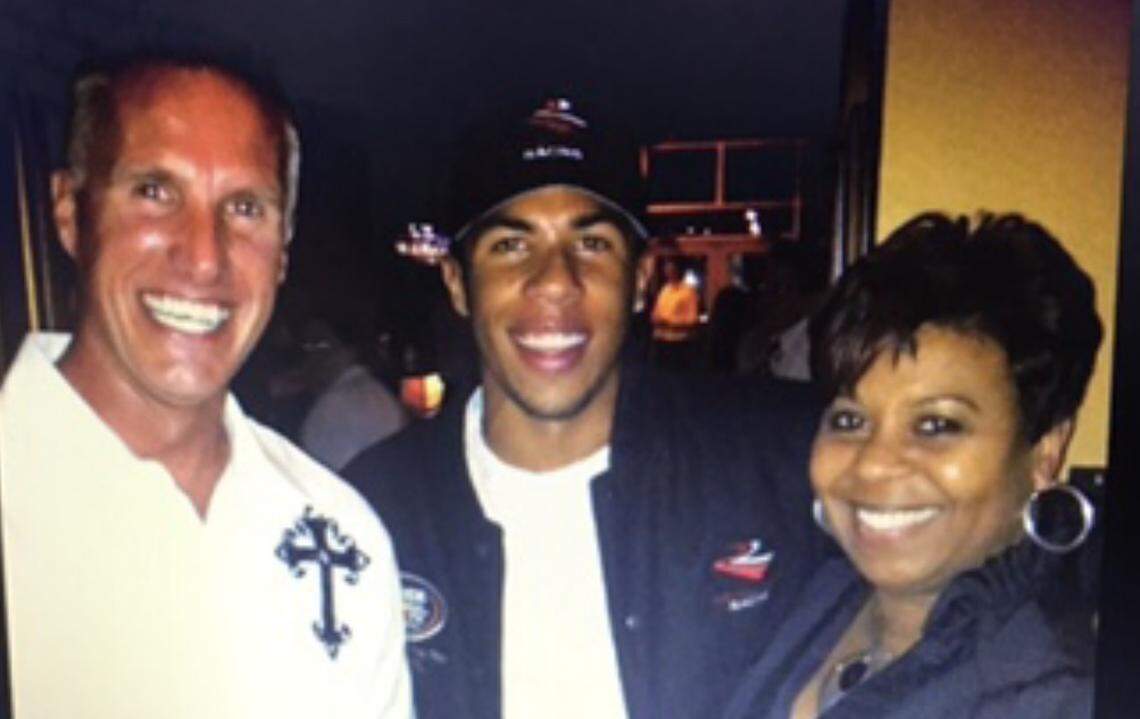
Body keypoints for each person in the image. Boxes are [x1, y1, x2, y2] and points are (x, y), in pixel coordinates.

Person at [345, 98, 826, 719]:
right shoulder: (376, 509)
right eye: (512, 245)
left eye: (592, 243)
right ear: (459, 285)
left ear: (642, 279)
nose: (555, 281)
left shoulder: (774, 460)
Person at [0, 55, 412, 718]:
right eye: (155, 191)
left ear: (282, 251)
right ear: (70, 213)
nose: (204, 255)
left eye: (245, 207)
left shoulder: (342, 537)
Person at [723, 213, 1103, 719]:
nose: (875, 466)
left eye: (936, 426)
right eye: (849, 419)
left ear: (1044, 453)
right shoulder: (826, 590)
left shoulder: (1046, 696)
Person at [297, 318, 410, 471]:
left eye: (322, 345)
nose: (314, 357)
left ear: (349, 349)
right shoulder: (381, 395)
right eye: (308, 347)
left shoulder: (333, 406)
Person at [650, 257, 701, 370]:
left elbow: (693, 319)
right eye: (667, 269)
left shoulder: (688, 292)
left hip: (680, 343)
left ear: (678, 271)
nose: (668, 272)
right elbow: (657, 312)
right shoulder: (664, 290)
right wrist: (655, 318)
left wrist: (670, 322)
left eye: (671, 269)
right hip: (661, 341)